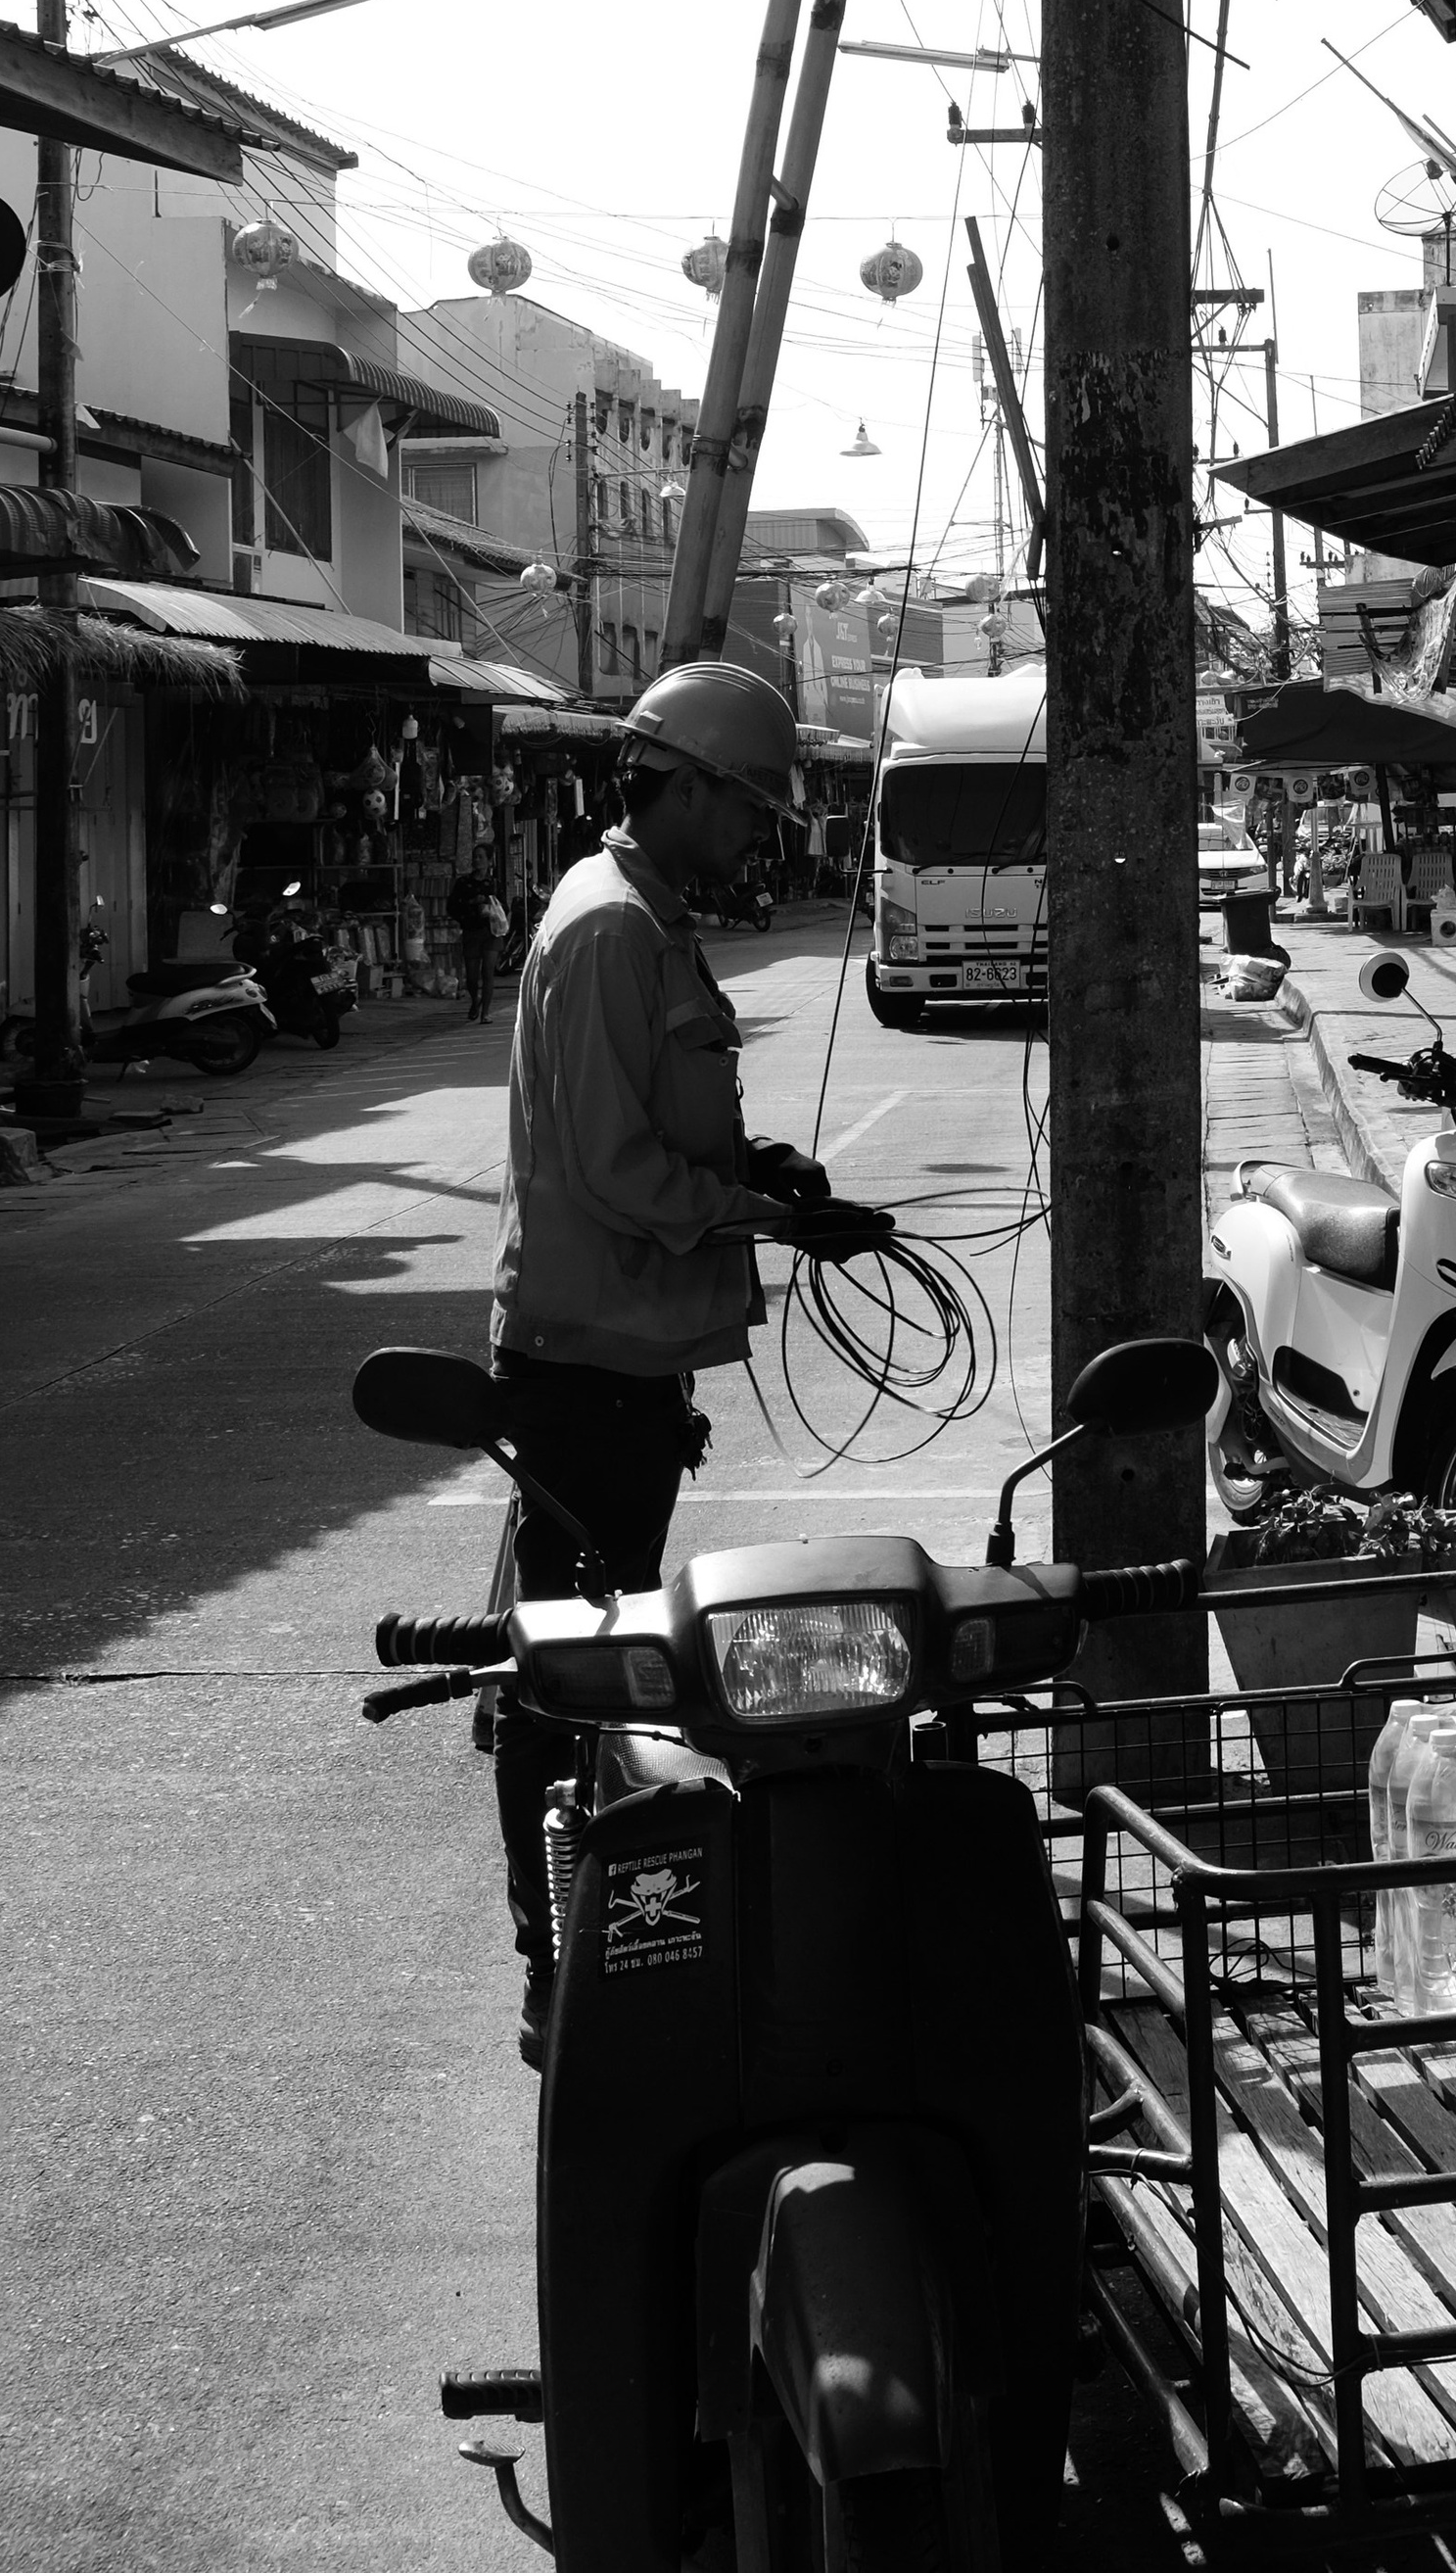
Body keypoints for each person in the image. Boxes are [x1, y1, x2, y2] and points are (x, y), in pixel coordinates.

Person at [486, 662, 826, 2064]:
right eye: (745, 804)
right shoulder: (611, 929)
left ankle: (604, 1937)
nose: (761, 833)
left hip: (623, 1362)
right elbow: (619, 1169)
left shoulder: (653, 923)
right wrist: (756, 1209)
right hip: (582, 1366)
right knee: (564, 1677)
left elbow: (659, 1125)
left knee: (603, 1660)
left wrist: (761, 1168)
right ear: (678, 788)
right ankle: (553, 1966)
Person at [446, 846, 502, 1024]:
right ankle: (474, 1000)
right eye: (475, 857)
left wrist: (491, 907)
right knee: (471, 976)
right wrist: (471, 904)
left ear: (488, 860)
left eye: (480, 857)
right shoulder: (463, 883)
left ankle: (485, 1012)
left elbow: (504, 907)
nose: (477, 860)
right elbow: (452, 907)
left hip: (491, 932)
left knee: (487, 972)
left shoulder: (494, 884)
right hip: (471, 931)